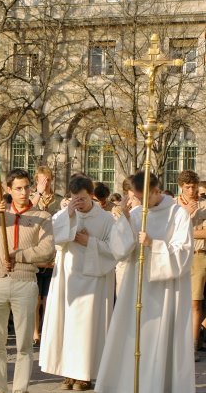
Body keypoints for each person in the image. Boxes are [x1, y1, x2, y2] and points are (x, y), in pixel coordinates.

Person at [94, 171, 195, 392]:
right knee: (132, 338)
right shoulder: (137, 212)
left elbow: (184, 255)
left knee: (161, 341)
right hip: (135, 286)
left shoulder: (178, 215)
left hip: (166, 290)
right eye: (132, 197)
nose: (135, 202)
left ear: (156, 191)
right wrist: (126, 221)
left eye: (139, 197)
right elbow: (119, 251)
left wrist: (153, 244)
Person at [39, 175, 134, 391]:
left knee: (87, 328)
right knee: (67, 325)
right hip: (68, 277)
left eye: (81, 199)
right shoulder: (64, 214)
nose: (78, 203)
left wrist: (89, 242)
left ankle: (85, 374)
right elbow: (54, 239)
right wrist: (70, 219)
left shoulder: (106, 219)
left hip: (94, 280)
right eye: (74, 199)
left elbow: (116, 251)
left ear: (91, 195)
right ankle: (68, 371)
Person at [0, 168, 55, 393]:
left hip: (25, 283)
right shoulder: (0, 214)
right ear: (9, 189)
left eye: (27, 187)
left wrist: (17, 254)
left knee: (24, 345)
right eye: (18, 188)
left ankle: (20, 389)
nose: (23, 192)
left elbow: (47, 251)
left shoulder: (42, 217)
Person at [29, 166, 62, 345]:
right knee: (35, 297)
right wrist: (39, 194)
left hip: (53, 251)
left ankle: (46, 329)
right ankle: (35, 332)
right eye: (42, 180)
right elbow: (28, 212)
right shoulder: (32, 198)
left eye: (48, 179)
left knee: (48, 297)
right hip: (36, 249)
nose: (46, 183)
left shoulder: (59, 200)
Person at [175, 170, 206, 361]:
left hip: (198, 255)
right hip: (177, 255)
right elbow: (168, 232)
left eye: (194, 186)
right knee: (176, 301)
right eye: (187, 187)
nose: (191, 190)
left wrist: (186, 229)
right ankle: (176, 344)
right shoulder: (173, 206)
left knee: (195, 302)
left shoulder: (204, 205)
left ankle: (193, 346)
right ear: (181, 187)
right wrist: (187, 218)